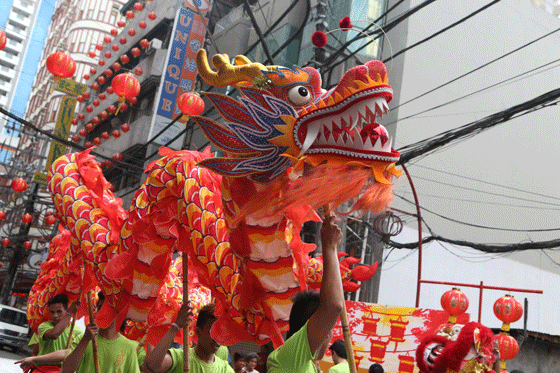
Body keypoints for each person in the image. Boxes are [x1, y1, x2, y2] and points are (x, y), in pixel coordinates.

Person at [267, 212, 344, 373]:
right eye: (328, 326)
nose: (329, 336)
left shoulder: (306, 363)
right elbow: (334, 306)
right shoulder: (290, 356)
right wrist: (330, 246)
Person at [143, 303, 234, 373]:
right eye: (212, 332)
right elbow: (152, 366)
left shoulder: (225, 370)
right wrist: (175, 326)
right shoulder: (180, 357)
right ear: (198, 332)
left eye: (222, 332)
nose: (217, 338)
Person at [61, 292, 140, 373]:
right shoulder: (82, 338)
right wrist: (85, 339)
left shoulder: (129, 348)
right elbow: (66, 370)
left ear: (120, 314)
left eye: (109, 309)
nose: (103, 313)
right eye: (100, 308)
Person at [17, 294, 82, 372]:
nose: (55, 316)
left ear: (66, 310)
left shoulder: (78, 332)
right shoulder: (44, 326)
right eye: (52, 312)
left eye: (59, 311)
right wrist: (69, 313)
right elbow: (54, 334)